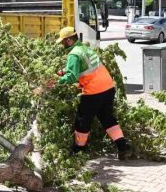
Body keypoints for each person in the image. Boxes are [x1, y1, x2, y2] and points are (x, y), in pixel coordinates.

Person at [51, 27, 132, 160]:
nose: (62, 44)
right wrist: (63, 71)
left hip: (94, 92)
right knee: (107, 118)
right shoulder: (84, 49)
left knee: (82, 121)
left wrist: (55, 81)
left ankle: (79, 151)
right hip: (108, 88)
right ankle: (123, 147)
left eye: (63, 41)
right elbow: (84, 66)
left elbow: (72, 77)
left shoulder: (73, 54)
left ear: (69, 40)